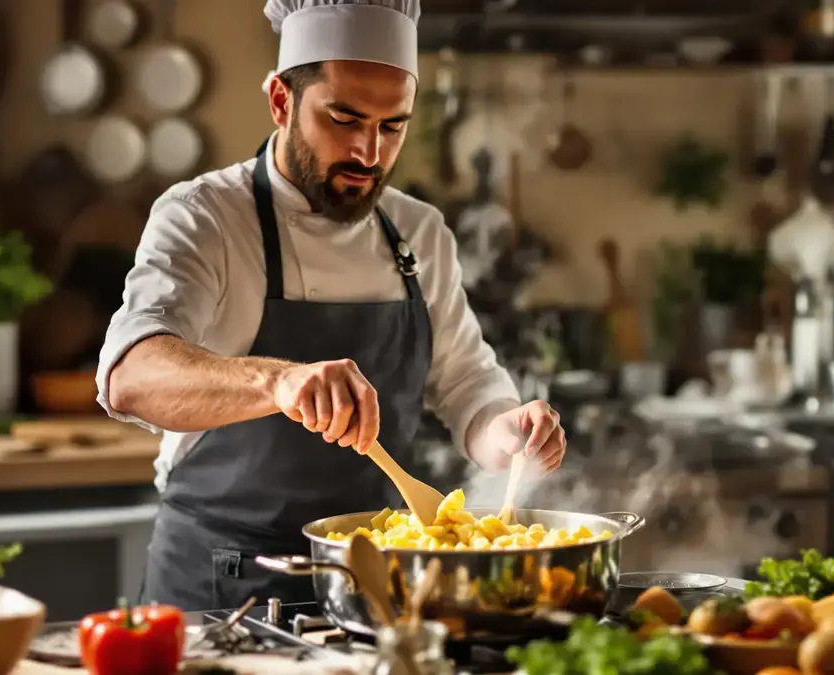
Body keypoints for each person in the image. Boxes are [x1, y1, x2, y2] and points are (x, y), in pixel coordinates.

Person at [97, 0, 567, 611]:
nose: (369, 154)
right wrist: (279, 382)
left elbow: (466, 382)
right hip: (221, 583)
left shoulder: (419, 232)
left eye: (392, 125)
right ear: (280, 101)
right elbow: (131, 376)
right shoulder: (204, 217)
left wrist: (505, 433)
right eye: (343, 119)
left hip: (373, 585)